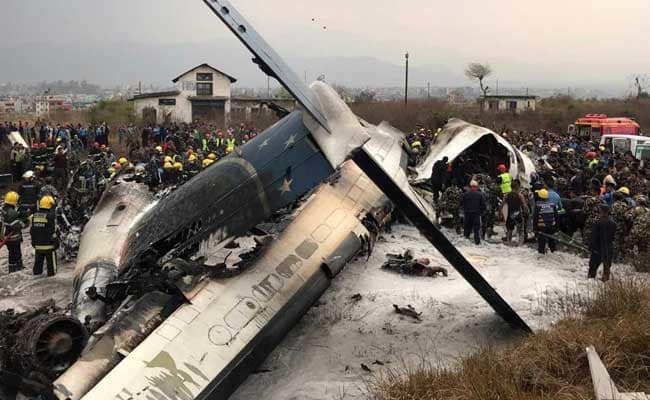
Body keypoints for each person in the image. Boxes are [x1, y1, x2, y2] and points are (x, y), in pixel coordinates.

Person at [30, 196, 58, 277]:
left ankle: (37, 275)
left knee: (37, 268)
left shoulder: (34, 215)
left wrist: (33, 242)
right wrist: (56, 242)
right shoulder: (50, 216)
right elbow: (52, 232)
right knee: (52, 272)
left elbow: (32, 231)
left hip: (38, 246)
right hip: (49, 246)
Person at [588, 204, 616, 281]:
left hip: (597, 247)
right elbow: (613, 236)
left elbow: (594, 236)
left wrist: (591, 246)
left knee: (593, 265)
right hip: (608, 246)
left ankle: (591, 278)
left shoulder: (598, 222)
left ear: (601, 211)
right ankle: (605, 279)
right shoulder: (613, 223)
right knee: (607, 265)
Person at [2, 192, 26, 273]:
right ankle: (19, 267)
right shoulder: (12, 212)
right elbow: (16, 225)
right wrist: (24, 221)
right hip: (13, 237)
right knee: (17, 253)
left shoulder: (4, 209)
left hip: (6, 237)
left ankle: (11, 268)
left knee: (11, 253)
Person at [501, 179, 529, 245]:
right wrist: (527, 211)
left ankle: (509, 243)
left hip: (510, 215)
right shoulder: (520, 195)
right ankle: (520, 244)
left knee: (509, 230)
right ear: (517, 187)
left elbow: (502, 205)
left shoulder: (507, 195)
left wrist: (500, 213)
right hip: (518, 214)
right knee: (520, 230)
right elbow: (524, 205)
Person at [461, 180, 486, 245]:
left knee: (467, 226)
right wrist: (481, 212)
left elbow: (461, 203)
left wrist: (464, 209)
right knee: (476, 228)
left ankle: (466, 239)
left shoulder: (465, 194)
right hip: (476, 214)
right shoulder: (480, 195)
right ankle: (477, 241)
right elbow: (483, 205)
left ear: (470, 186)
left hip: (467, 213)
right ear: (476, 187)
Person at [533, 188, 558, 254]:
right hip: (551, 226)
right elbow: (556, 215)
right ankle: (553, 251)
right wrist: (556, 226)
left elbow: (535, 217)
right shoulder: (552, 204)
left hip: (542, 227)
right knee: (551, 241)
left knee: (541, 243)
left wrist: (534, 228)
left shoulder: (538, 205)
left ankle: (541, 254)